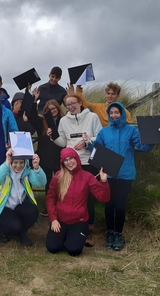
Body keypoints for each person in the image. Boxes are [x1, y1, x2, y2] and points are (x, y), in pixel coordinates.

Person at [87, 101, 160, 250]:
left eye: (117, 112)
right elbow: (97, 149)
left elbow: (143, 147)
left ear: (122, 114)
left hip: (125, 174)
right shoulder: (104, 132)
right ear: (108, 115)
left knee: (120, 206)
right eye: (111, 113)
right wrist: (88, 143)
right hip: (109, 175)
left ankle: (118, 234)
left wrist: (156, 136)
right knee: (109, 205)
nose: (114, 115)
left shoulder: (131, 131)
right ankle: (109, 233)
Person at [52, 94, 102, 246]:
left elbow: (100, 136)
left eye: (73, 103)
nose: (71, 107)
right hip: (69, 164)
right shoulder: (63, 120)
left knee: (88, 198)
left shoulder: (92, 117)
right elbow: (62, 142)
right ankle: (70, 227)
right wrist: (52, 136)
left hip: (88, 161)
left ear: (80, 103)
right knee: (69, 195)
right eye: (68, 105)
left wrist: (87, 142)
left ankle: (89, 230)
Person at [46, 147, 110, 256]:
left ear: (76, 158)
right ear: (62, 162)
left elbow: (103, 198)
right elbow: (50, 198)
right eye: (65, 160)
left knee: (74, 250)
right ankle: (65, 236)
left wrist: (103, 181)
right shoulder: (58, 176)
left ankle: (75, 237)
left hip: (79, 221)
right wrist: (53, 219)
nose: (69, 162)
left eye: (71, 158)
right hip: (60, 220)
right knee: (53, 247)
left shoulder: (87, 176)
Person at [0, 149, 46, 246]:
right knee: (15, 228)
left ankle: (22, 233)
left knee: (33, 211)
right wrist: (7, 161)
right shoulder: (5, 171)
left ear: (25, 162)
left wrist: (36, 168)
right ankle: (1, 228)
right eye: (15, 162)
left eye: (21, 162)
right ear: (11, 162)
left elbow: (41, 183)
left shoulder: (27, 172)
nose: (18, 165)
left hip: (19, 206)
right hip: (4, 208)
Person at [27, 93, 64, 216]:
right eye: (49, 110)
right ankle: (49, 208)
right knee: (49, 183)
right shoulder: (42, 122)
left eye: (54, 108)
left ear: (58, 108)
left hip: (60, 156)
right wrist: (34, 101)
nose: (52, 111)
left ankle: (61, 206)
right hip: (46, 156)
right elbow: (31, 116)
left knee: (61, 182)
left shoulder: (64, 120)